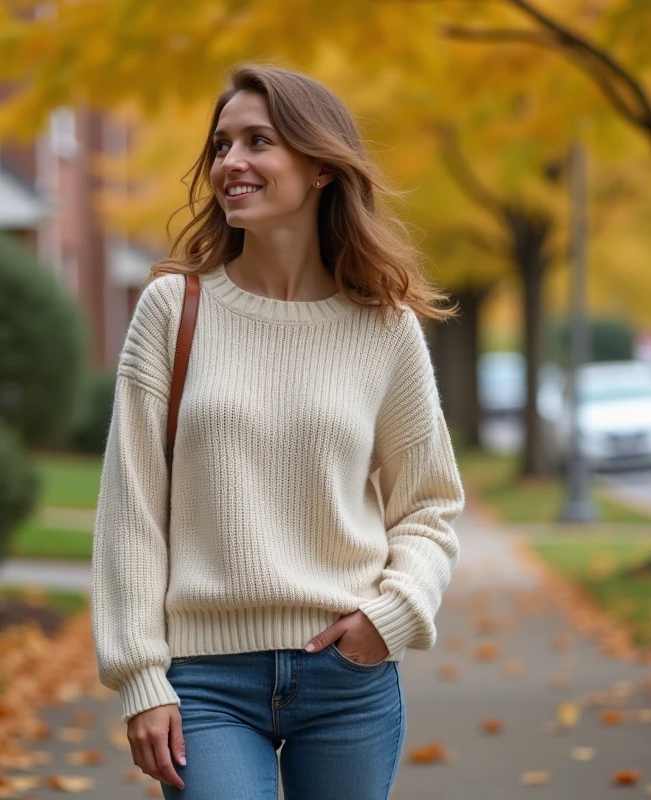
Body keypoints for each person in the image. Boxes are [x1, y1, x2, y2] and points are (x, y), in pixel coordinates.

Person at [91, 63, 465, 800]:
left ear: (321, 166)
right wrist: (141, 677)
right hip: (205, 683)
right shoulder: (172, 309)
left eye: (258, 141)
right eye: (221, 144)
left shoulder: (385, 327)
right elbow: (129, 512)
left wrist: (390, 617)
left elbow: (429, 503)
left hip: (348, 678)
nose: (230, 162)